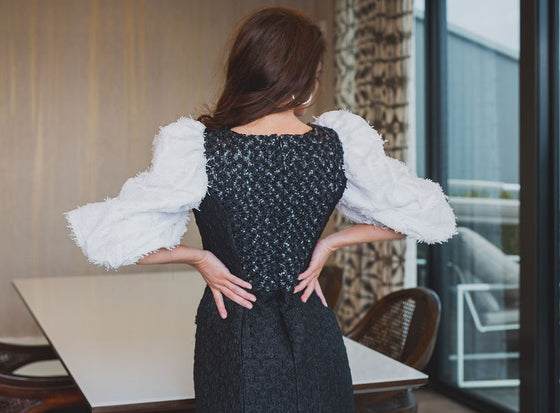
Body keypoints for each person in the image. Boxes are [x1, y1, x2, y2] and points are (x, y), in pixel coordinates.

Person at [65, 7, 456, 413]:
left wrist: (199, 258)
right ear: (303, 79)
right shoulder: (337, 145)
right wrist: (330, 244)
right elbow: (425, 215)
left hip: (235, 331)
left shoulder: (199, 148)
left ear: (247, 69)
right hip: (314, 330)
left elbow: (114, 239)